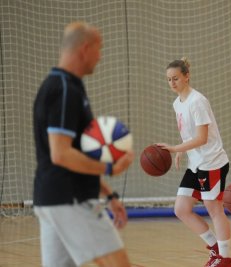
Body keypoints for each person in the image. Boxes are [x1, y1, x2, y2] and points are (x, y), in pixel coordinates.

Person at [33, 21, 134, 267]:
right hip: (71, 200)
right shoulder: (64, 89)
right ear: (85, 48)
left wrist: (108, 194)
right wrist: (111, 168)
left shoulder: (65, 86)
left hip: (52, 199)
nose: (100, 57)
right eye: (99, 49)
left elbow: (73, 154)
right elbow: (61, 154)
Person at [157, 58, 231, 267]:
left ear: (187, 76)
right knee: (181, 209)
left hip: (212, 162)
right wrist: (182, 149)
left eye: (176, 78)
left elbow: (201, 138)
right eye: (169, 80)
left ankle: (225, 259)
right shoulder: (177, 103)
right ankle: (215, 248)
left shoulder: (197, 101)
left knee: (214, 209)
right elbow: (189, 134)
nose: (172, 83)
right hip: (196, 163)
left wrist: (175, 148)